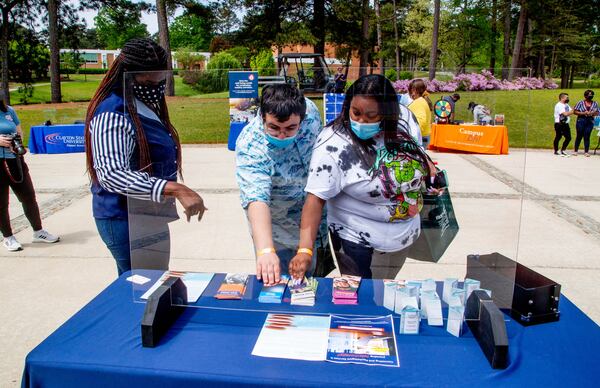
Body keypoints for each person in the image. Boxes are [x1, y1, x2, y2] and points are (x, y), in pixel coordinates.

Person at [288, 74, 439, 280]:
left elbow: (416, 150)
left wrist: (426, 168)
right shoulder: (333, 143)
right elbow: (315, 198)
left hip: (401, 236)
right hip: (354, 237)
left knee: (385, 288)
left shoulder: (405, 119)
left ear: (388, 114)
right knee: (359, 296)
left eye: (371, 115)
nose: (361, 121)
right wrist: (304, 250)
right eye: (356, 113)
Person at [85, 38, 206, 276]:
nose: (156, 87)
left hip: (147, 213)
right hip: (123, 217)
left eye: (161, 81)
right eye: (149, 81)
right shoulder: (113, 113)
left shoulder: (140, 103)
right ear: (128, 75)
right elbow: (111, 175)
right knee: (141, 283)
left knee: (152, 279)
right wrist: (176, 189)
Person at [235, 84, 326, 286]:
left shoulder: (310, 111)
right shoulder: (251, 145)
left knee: (316, 285)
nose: (282, 135)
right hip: (278, 229)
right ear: (262, 117)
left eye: (291, 128)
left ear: (302, 119)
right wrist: (266, 250)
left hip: (317, 220)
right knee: (284, 287)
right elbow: (256, 198)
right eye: (274, 128)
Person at [0, 92, 59, 251]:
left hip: (15, 159)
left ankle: (38, 231)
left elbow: (19, 131)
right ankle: (8, 237)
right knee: (2, 203)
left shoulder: (8, 111)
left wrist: (16, 139)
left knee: (28, 196)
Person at [408, 79, 433, 149]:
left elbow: (421, 122)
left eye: (410, 90)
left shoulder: (418, 102)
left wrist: (412, 136)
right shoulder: (423, 100)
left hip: (419, 138)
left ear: (414, 90)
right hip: (424, 136)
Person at [573, 89, 599, 157]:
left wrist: (593, 113)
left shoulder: (595, 103)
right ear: (585, 96)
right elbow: (575, 111)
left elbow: (598, 112)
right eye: (589, 95)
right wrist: (583, 113)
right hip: (581, 120)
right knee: (579, 135)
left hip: (590, 121)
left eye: (592, 95)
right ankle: (575, 151)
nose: (590, 96)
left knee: (587, 136)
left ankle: (586, 152)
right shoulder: (580, 102)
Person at [553, 92, 573, 157]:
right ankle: (556, 151)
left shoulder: (566, 105)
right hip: (559, 124)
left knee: (568, 138)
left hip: (565, 124)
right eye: (567, 97)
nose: (568, 98)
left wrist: (573, 110)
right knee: (558, 137)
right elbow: (565, 114)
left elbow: (571, 111)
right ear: (562, 98)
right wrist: (573, 110)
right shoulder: (559, 105)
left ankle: (563, 150)